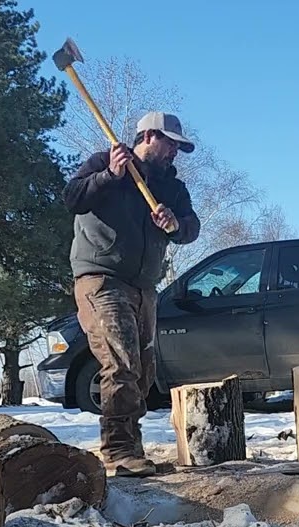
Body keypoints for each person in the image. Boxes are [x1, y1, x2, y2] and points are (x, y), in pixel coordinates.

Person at [64, 111, 201, 477]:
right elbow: (72, 197)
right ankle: (118, 450)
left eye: (178, 146)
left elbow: (192, 228)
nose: (175, 151)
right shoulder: (104, 164)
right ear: (149, 137)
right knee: (120, 361)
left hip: (144, 285)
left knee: (142, 369)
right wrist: (109, 176)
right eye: (170, 143)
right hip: (101, 278)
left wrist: (176, 225)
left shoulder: (172, 187)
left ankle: (131, 444)